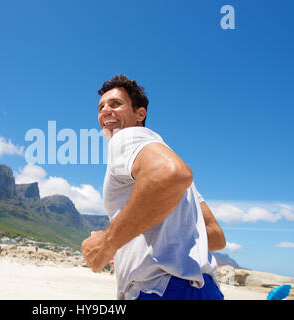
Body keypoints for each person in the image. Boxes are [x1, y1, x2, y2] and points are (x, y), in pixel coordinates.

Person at [81, 74, 226, 300]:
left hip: (158, 290)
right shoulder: (174, 171)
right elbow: (216, 237)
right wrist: (129, 243)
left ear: (140, 114)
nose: (105, 111)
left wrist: (108, 242)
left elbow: (171, 174)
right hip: (207, 290)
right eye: (100, 107)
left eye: (115, 104)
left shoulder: (127, 137)